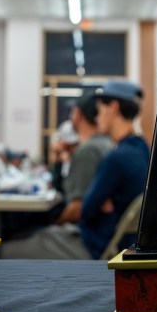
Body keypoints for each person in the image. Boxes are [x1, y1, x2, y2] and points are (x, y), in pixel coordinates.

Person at [3, 80, 149, 259]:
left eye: (100, 111)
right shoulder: (142, 148)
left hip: (92, 245)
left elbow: (86, 210)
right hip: (117, 242)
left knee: (4, 249)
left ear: (113, 107)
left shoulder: (116, 157)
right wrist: (101, 200)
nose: (97, 118)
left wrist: (96, 201)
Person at [54, 93, 113, 224]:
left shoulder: (87, 151)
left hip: (86, 230)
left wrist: (55, 223)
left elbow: (76, 208)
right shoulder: (108, 143)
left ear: (78, 114)